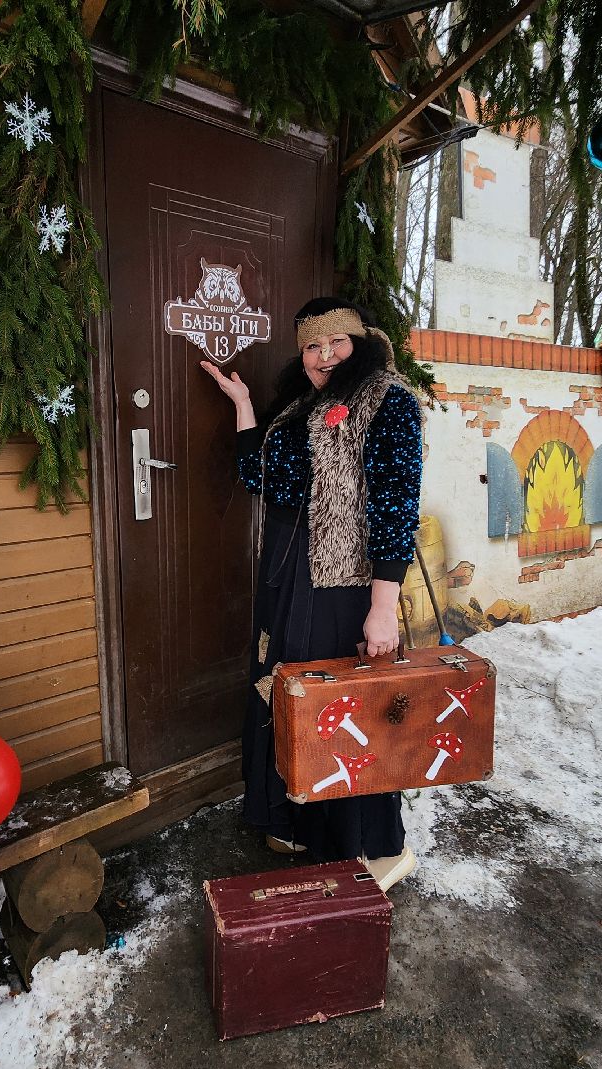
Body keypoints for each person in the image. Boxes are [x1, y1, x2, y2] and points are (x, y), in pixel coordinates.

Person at [201, 297, 422, 891]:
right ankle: (297, 820)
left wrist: (382, 609)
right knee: (286, 695)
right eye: (312, 346)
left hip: (345, 586)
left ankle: (376, 848)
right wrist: (245, 406)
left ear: (362, 343)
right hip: (287, 577)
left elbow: (397, 509)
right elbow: (259, 479)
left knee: (347, 714)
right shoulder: (301, 407)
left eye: (337, 343)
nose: (324, 356)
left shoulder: (388, 402)